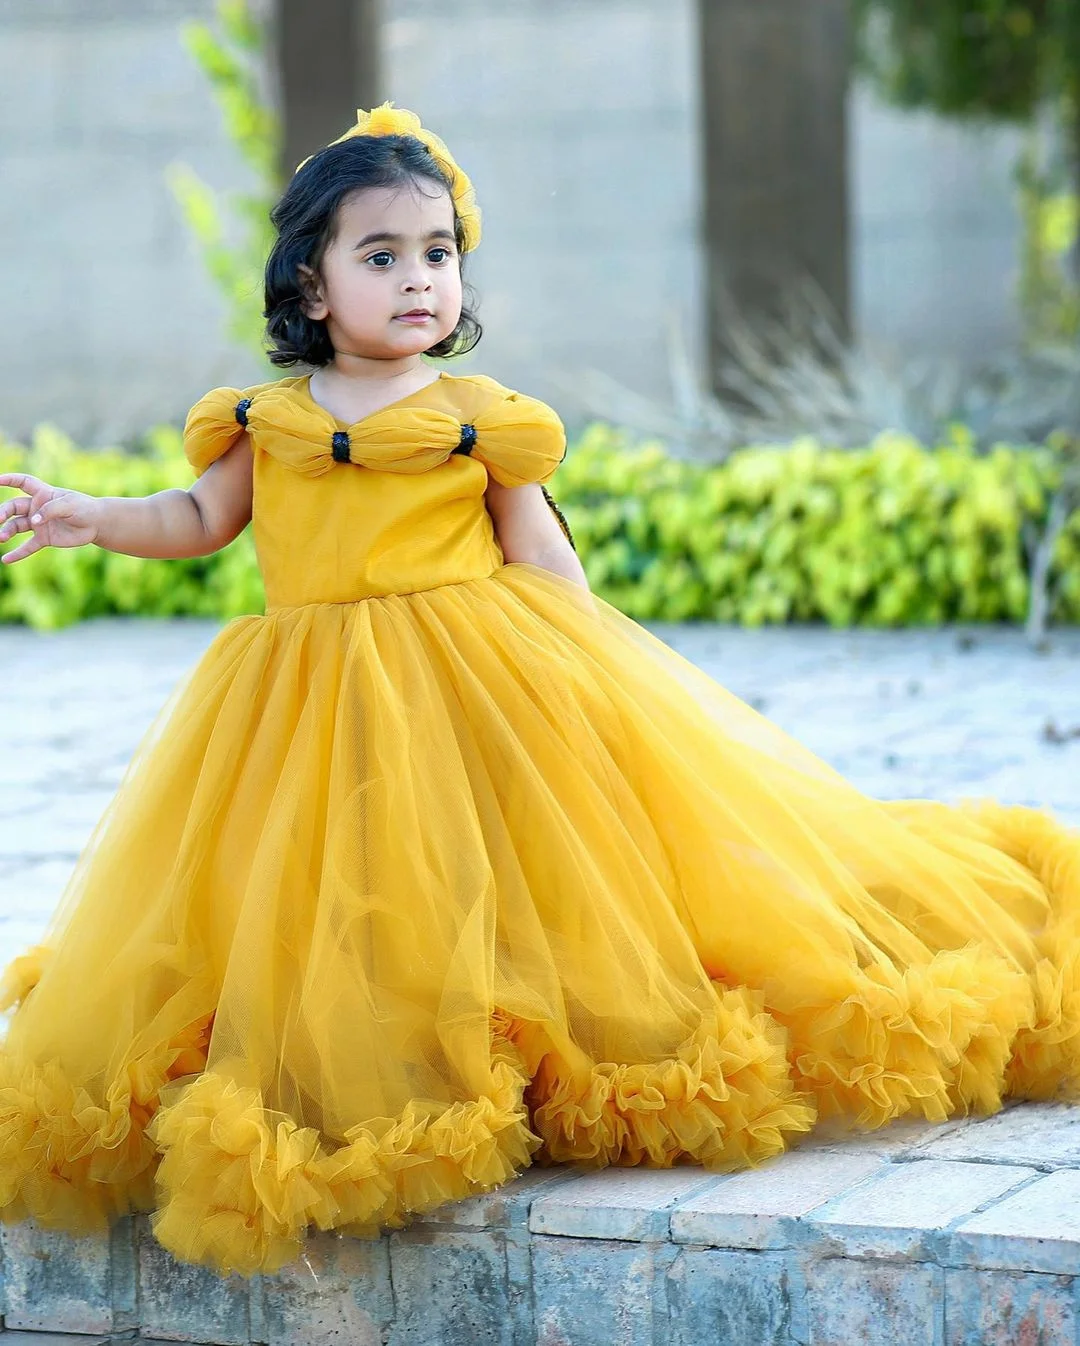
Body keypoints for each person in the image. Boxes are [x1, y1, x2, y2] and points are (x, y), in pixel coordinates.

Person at [0, 104, 1075, 1281]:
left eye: (439, 253)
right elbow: (199, 520)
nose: (420, 280)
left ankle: (526, 1034)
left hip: (479, 685)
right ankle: (376, 1035)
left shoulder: (480, 425)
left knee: (495, 866)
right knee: (345, 879)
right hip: (304, 706)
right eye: (382, 256)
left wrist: (600, 683)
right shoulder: (265, 425)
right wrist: (87, 518)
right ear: (310, 287)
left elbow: (548, 569)